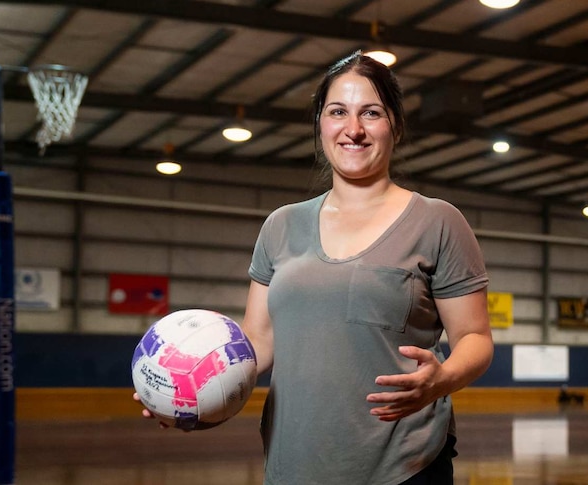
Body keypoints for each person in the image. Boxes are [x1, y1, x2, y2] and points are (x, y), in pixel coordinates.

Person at [137, 51, 493, 485]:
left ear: (395, 126)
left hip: (403, 464)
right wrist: (195, 396)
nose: (354, 129)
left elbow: (474, 337)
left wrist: (442, 380)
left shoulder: (438, 221)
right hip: (293, 463)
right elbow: (257, 343)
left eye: (372, 113)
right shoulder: (281, 225)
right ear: (320, 124)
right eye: (337, 112)